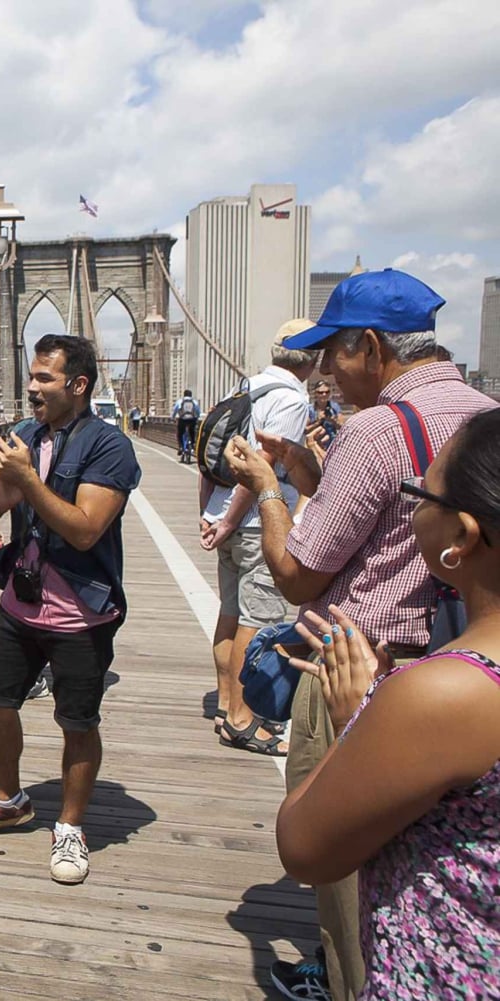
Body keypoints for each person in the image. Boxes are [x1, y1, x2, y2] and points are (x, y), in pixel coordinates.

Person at [224, 268, 496, 1001]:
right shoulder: (485, 416)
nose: (321, 373)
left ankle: (346, 981)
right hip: (466, 660)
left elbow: (300, 574)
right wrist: (318, 473)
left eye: (331, 355)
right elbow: (380, 532)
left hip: (365, 669)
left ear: (371, 347)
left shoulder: (375, 429)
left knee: (348, 875)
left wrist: (268, 489)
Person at [275, 408, 500, 999]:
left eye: (420, 493)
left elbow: (304, 849)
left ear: (462, 536)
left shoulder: (443, 694)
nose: (415, 507)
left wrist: (358, 722)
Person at [0, 334, 141, 888]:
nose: (31, 388)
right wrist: (0, 488)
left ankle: (72, 827)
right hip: (20, 602)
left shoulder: (110, 448)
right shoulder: (24, 436)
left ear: (77, 385)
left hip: (82, 610)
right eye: (30, 376)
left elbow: (84, 530)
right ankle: (8, 799)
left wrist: (28, 480)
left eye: (44, 379)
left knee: (77, 723)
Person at [199, 319, 318, 756]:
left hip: (227, 520)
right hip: (253, 524)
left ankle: (227, 707)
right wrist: (231, 520)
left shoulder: (243, 388)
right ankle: (243, 720)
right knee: (258, 618)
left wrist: (209, 513)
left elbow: (205, 457)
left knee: (231, 614)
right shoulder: (289, 399)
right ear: (315, 358)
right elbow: (261, 466)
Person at [174, 389, 200, 462]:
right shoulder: (194, 402)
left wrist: (172, 418)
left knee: (179, 434)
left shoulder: (180, 401)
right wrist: (196, 417)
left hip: (182, 420)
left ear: (184, 395)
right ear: (191, 395)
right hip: (192, 420)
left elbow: (175, 410)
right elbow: (198, 412)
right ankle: (192, 445)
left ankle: (181, 447)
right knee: (192, 433)